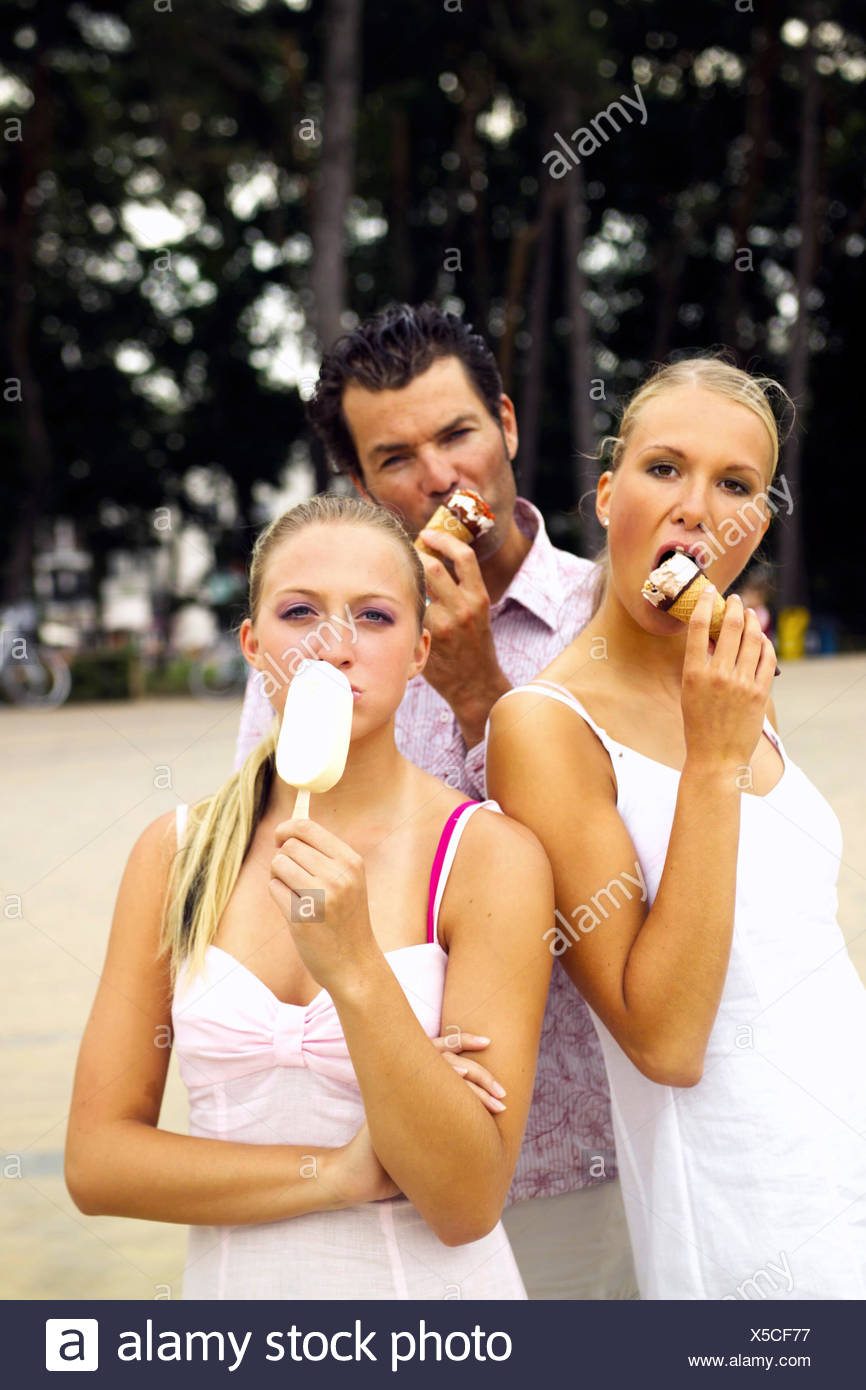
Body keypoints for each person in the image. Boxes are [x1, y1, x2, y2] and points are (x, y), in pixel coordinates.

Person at [234, 303, 639, 1300]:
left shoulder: (613, 620)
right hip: (370, 1158)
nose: (440, 477)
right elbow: (263, 873)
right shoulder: (312, 651)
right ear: (360, 485)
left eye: (458, 434)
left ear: (506, 424)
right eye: (396, 458)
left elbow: (630, 887)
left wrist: (477, 695)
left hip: (577, 1157)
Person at [65, 494, 554, 1300]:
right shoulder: (176, 856)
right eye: (300, 613)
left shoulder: (489, 858)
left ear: (421, 650)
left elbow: (466, 1199)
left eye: (374, 616)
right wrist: (336, 1174)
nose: (334, 646)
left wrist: (356, 967)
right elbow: (97, 1163)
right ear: (253, 645)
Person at [486, 355, 866, 1299]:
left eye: (734, 485)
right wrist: (713, 759)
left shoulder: (729, 686)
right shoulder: (545, 727)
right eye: (664, 469)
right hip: (749, 1226)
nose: (696, 508)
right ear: (608, 495)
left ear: (756, 527)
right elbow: (664, 1042)